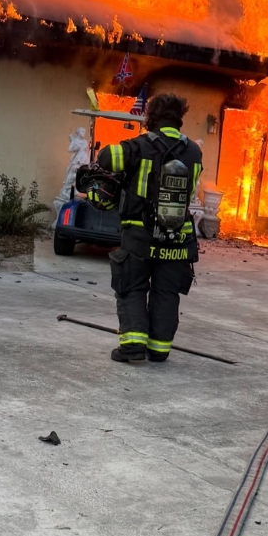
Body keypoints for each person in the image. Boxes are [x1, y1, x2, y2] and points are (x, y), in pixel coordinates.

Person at [90, 93, 204, 364]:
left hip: (140, 233)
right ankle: (159, 349)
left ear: (150, 117)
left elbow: (107, 158)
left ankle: (132, 346)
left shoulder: (140, 145)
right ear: (179, 118)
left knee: (132, 286)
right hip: (177, 237)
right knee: (167, 291)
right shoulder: (194, 152)